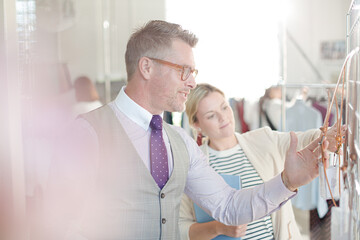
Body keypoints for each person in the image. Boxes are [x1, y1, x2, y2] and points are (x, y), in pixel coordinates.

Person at [45, 20, 330, 240]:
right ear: (146, 67)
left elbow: (229, 206)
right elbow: (58, 225)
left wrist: (287, 181)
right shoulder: (87, 134)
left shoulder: (179, 141)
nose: (192, 82)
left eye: (193, 72)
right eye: (184, 70)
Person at [179, 83, 345, 240]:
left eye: (224, 107)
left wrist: (324, 137)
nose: (223, 118)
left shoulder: (262, 139)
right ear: (196, 124)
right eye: (211, 115)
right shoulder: (193, 165)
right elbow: (181, 229)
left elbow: (301, 140)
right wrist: (217, 228)